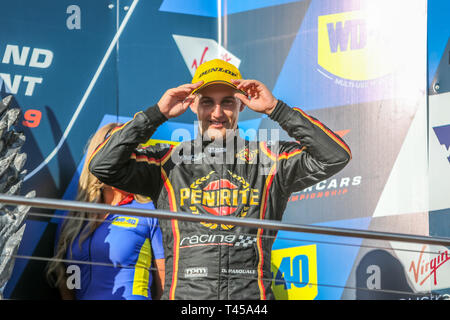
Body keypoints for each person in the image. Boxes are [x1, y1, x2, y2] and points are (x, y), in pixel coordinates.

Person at [88, 59, 351, 300]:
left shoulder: (269, 159)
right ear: (192, 105)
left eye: (227, 102)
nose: (217, 113)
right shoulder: (167, 161)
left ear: (242, 104)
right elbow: (102, 165)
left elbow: (335, 156)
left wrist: (275, 109)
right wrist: (157, 114)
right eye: (207, 102)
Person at [47, 123, 165, 300]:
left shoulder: (149, 211)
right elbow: (65, 281)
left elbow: (165, 282)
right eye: (109, 156)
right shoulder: (73, 217)